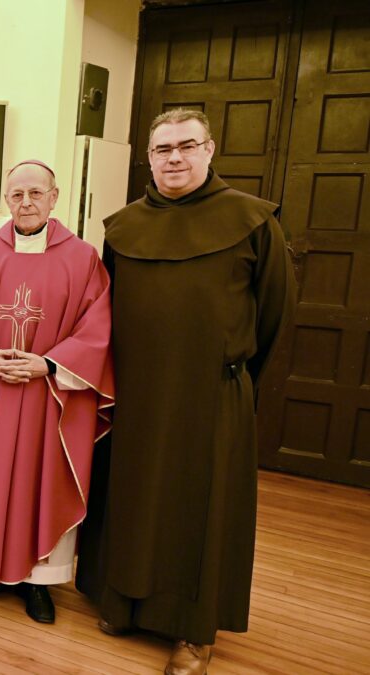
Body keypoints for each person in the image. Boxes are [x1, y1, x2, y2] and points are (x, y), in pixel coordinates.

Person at [75, 109, 294, 675]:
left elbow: (273, 316)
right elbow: (107, 313)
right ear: (148, 156)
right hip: (137, 394)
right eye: (162, 148)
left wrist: (233, 379)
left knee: (201, 514)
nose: (174, 157)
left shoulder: (252, 221)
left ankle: (194, 636)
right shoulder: (123, 227)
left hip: (212, 397)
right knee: (133, 500)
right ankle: (122, 604)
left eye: (186, 146)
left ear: (209, 150)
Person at [0, 160, 114, 624]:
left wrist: (49, 363)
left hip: (49, 398)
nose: (26, 202)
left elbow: (97, 328)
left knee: (42, 479)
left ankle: (39, 583)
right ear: (6, 199)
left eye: (36, 193)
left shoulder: (83, 258)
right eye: (16, 195)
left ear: (55, 197)